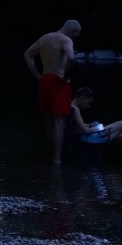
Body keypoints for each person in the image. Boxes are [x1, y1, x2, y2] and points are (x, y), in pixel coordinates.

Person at [23, 19, 81, 164]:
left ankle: (49, 154)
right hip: (58, 81)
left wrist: (38, 76)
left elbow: (27, 55)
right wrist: (65, 77)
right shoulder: (66, 40)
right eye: (76, 35)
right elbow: (72, 58)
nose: (75, 38)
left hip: (45, 80)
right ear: (73, 31)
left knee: (48, 119)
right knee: (59, 122)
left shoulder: (45, 38)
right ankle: (56, 160)